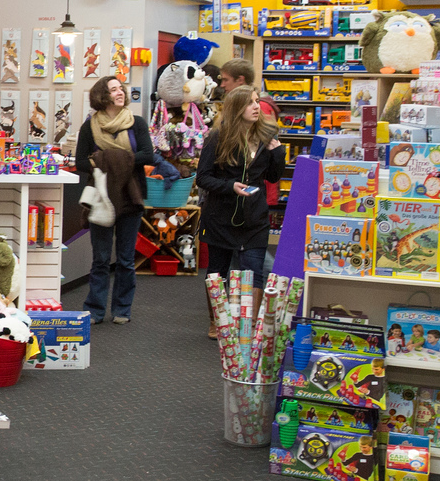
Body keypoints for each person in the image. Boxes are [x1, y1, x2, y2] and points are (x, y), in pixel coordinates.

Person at [75, 76, 178, 323]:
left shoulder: (137, 123)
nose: (120, 93)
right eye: (113, 90)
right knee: (100, 258)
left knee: (125, 259)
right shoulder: (89, 127)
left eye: (121, 89)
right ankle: (96, 310)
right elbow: (80, 161)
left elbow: (149, 156)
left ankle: (122, 309)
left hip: (131, 196)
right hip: (101, 196)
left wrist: (108, 159)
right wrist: (121, 160)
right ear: (102, 95)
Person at [196, 85, 288, 336]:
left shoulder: (268, 134)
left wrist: (277, 152)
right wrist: (229, 186)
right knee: (217, 272)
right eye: (250, 103)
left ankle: (248, 325)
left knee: (254, 270)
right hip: (220, 216)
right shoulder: (218, 137)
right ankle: (217, 321)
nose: (257, 106)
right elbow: (203, 178)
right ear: (237, 109)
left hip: (254, 217)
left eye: (257, 101)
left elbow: (273, 175)